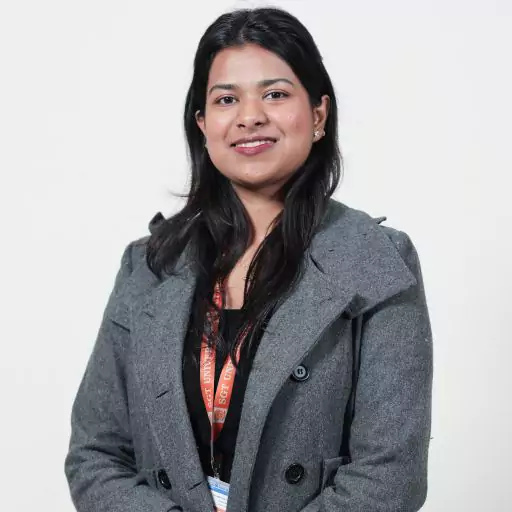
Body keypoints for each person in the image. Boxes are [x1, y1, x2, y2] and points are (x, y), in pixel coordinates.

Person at [64, 6, 433, 512]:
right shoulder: (148, 266)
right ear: (202, 124)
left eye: (275, 94)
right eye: (226, 99)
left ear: (318, 115)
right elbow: (95, 457)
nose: (250, 116)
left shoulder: (376, 260)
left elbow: (391, 477)